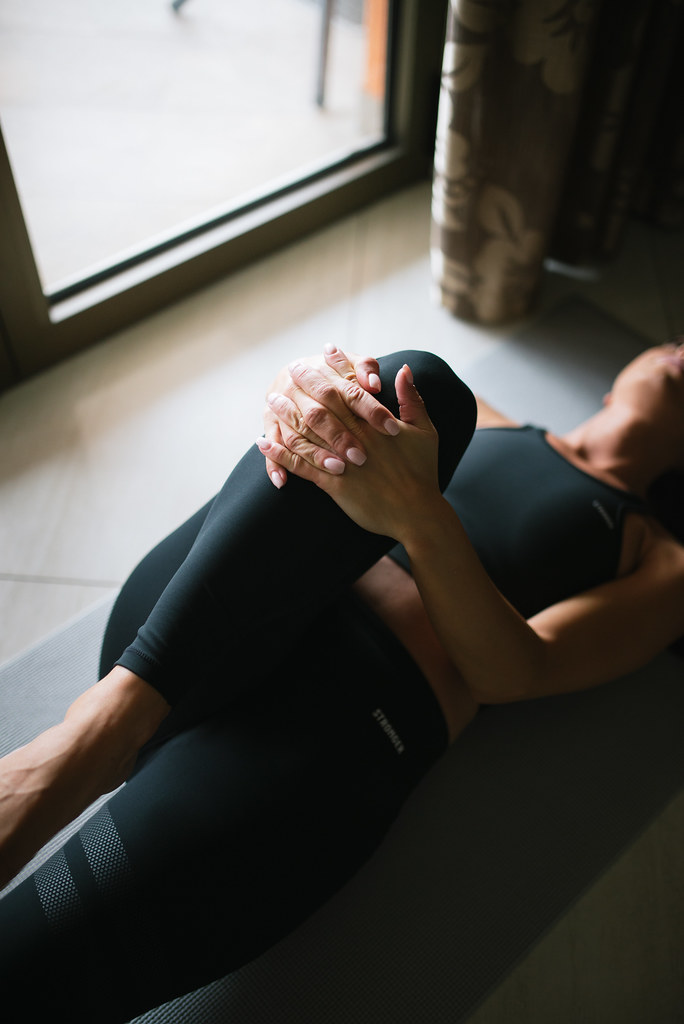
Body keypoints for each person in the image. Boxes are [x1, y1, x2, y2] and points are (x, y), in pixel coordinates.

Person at [0, 341, 683, 1022]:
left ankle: (101, 733)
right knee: (423, 381)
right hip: (190, 638)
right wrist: (304, 396)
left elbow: (518, 671)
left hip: (337, 720)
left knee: (35, 960)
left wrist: (420, 513)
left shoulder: (663, 558)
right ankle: (106, 724)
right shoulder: (482, 416)